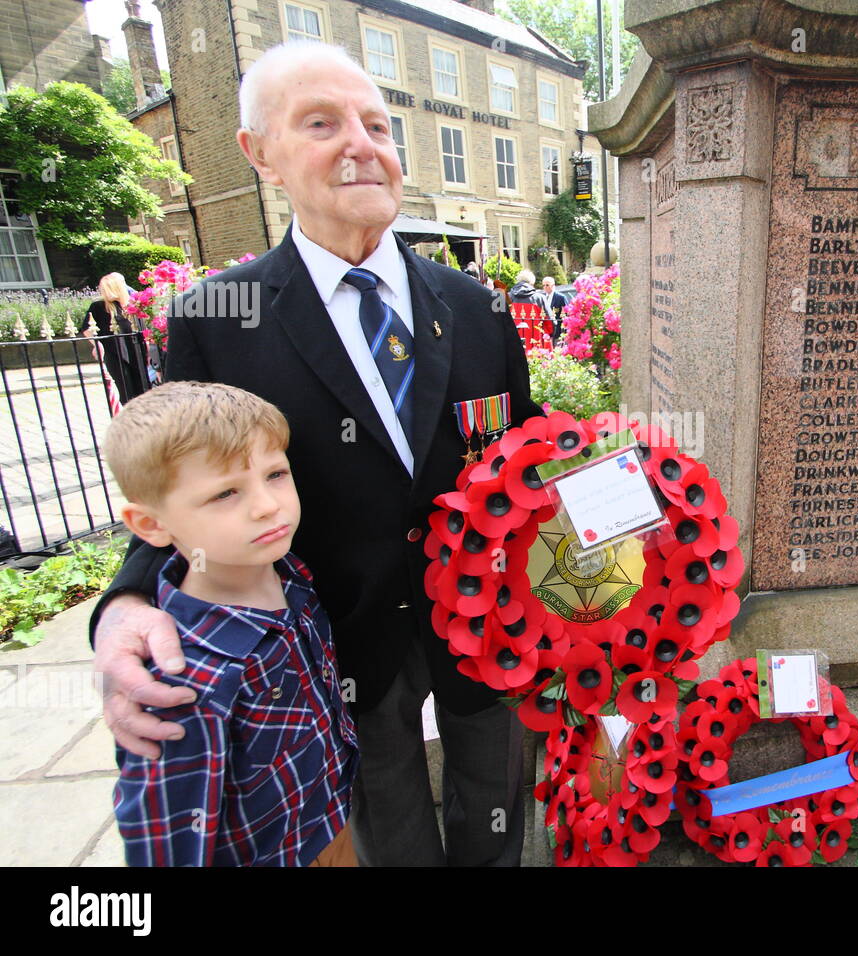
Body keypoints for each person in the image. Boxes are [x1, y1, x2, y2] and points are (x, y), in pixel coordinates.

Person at [89, 39, 541, 867]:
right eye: (321, 123)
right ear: (260, 155)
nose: (360, 143)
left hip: (488, 630)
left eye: (376, 122)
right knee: (383, 813)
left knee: (499, 798)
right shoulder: (218, 320)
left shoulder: (477, 306)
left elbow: (529, 458)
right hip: (338, 641)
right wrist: (125, 603)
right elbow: (171, 481)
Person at [104, 381, 357, 866]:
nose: (267, 504)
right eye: (225, 493)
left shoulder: (292, 577)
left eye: (276, 474)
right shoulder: (181, 680)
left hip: (330, 823)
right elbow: (167, 842)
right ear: (151, 525)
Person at [83, 273, 149, 406]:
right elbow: (87, 328)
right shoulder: (99, 307)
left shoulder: (133, 305)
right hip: (115, 354)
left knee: (144, 390)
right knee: (126, 392)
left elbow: (144, 330)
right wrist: (97, 345)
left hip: (137, 351)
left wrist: (147, 349)